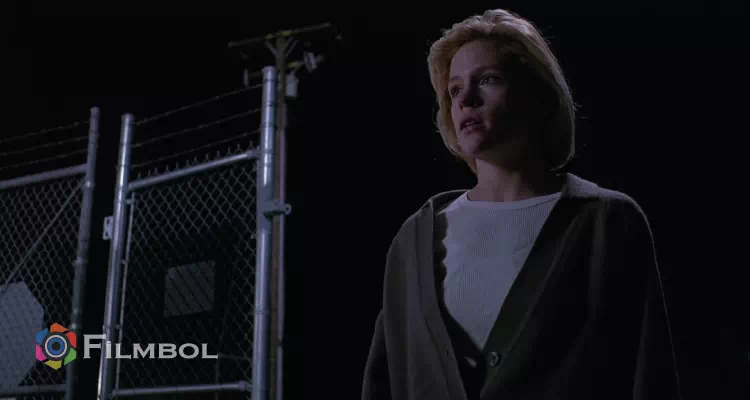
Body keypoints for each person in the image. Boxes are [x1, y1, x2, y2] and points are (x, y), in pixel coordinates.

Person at [361, 9, 682, 400]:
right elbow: (383, 382)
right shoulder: (415, 239)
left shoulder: (607, 222)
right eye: (455, 90)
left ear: (537, 95)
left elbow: (649, 375)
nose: (466, 100)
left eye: (488, 80)